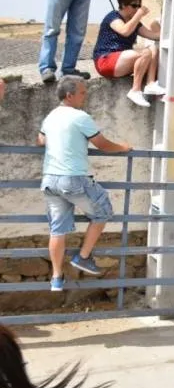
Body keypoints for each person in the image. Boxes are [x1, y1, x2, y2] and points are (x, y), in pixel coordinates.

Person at [38, 76, 131, 291]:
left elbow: (41, 140)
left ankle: (56, 278)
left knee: (57, 229)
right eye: (82, 92)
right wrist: (123, 148)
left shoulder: (51, 116)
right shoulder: (80, 117)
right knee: (103, 211)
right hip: (72, 178)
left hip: (50, 179)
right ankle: (83, 256)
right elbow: (102, 144)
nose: (85, 96)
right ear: (69, 96)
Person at [91, 0, 165, 107]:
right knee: (144, 53)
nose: (137, 9)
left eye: (139, 6)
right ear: (123, 5)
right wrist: (139, 15)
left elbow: (153, 36)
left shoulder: (134, 22)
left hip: (123, 61)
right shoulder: (113, 17)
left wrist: (168, 31)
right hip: (105, 60)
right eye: (134, 5)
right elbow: (125, 31)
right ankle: (135, 90)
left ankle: (150, 84)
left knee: (153, 48)